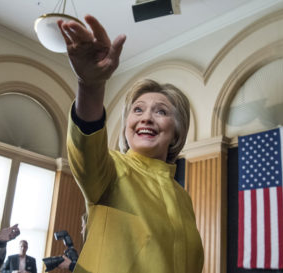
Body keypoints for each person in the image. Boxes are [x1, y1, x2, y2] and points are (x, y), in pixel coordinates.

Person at [58, 15, 204, 273]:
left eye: (160, 111)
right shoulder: (111, 169)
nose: (146, 117)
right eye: (138, 110)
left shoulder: (183, 198)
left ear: (177, 131)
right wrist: (90, 84)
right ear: (127, 125)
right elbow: (86, 148)